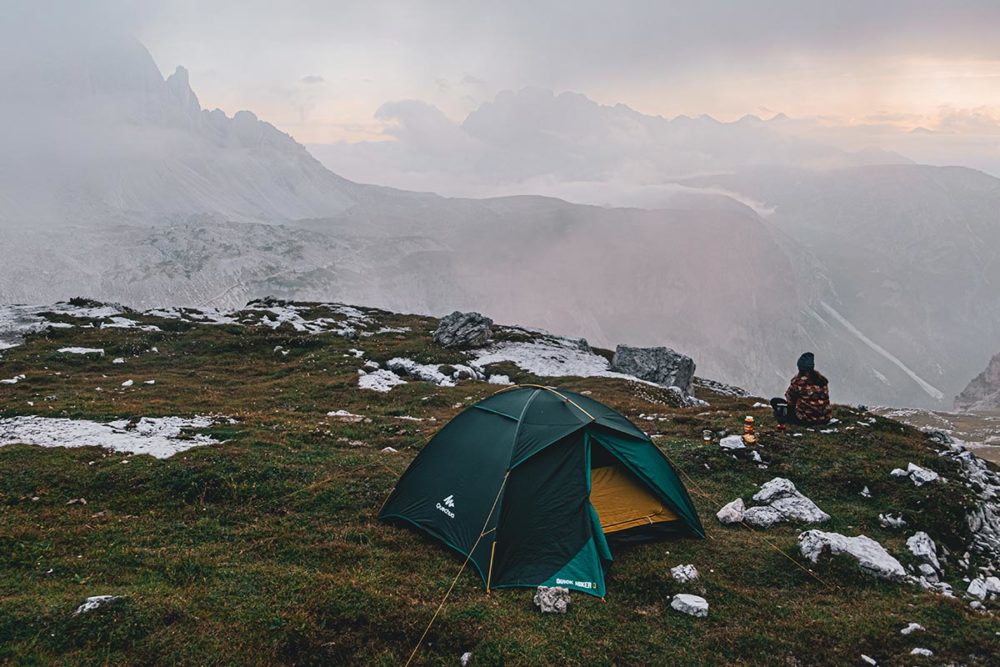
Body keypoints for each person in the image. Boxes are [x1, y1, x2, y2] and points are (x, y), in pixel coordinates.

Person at [771, 352, 832, 426]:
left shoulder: (798, 382)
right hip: (824, 419)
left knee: (775, 402)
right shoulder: (822, 380)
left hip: (806, 420)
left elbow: (790, 401)